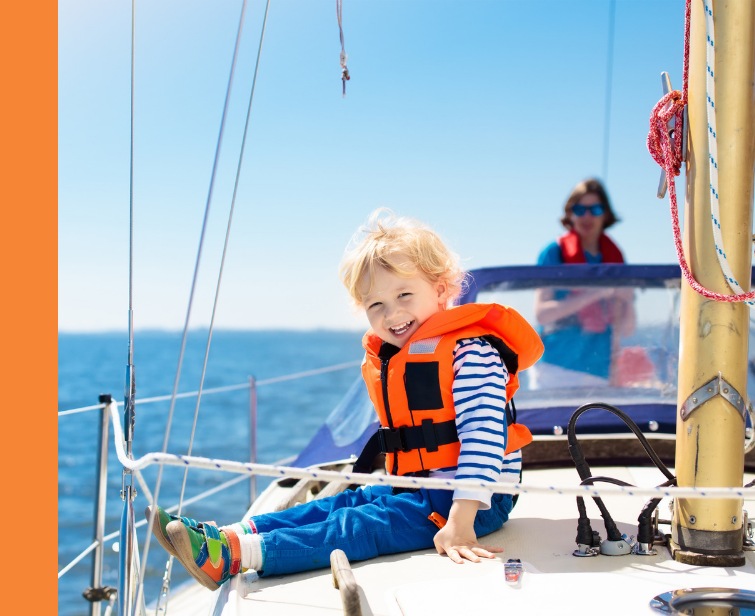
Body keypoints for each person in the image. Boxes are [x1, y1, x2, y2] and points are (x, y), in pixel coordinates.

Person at [147, 209, 543, 590]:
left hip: (477, 502)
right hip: (418, 485)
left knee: (360, 526)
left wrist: (461, 519)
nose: (393, 314)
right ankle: (225, 535)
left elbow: (485, 435)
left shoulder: (471, 352)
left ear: (440, 289)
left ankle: (235, 556)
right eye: (377, 305)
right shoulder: (407, 349)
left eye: (405, 294)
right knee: (340, 504)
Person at [532, 179, 634, 387]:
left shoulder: (614, 257)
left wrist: (628, 300)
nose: (587, 216)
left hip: (600, 371)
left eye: (595, 209)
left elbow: (627, 329)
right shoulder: (554, 253)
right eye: (579, 209)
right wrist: (596, 293)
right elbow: (542, 313)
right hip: (555, 369)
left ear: (605, 214)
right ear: (570, 214)